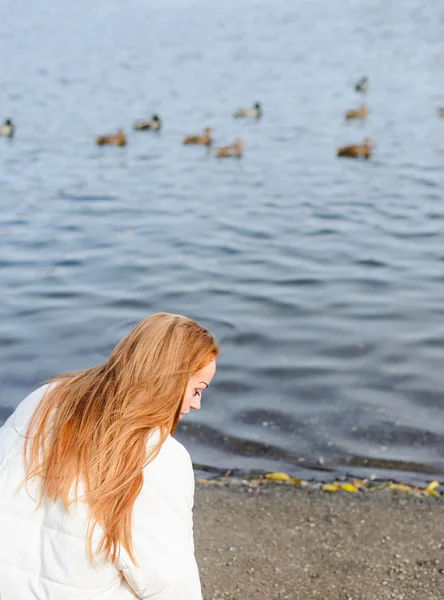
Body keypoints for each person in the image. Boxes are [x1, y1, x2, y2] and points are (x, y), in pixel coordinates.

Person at [0, 312, 218, 600]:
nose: (196, 404)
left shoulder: (43, 399)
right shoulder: (161, 455)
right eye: (196, 390)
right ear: (171, 382)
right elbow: (168, 581)